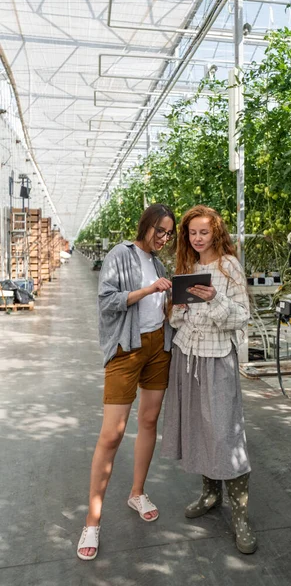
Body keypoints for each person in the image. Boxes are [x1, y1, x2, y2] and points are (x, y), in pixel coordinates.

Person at [77, 203, 176, 561]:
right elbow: (107, 302)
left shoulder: (160, 264)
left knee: (149, 421)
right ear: (146, 225)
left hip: (157, 348)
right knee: (112, 433)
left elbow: (160, 310)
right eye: (160, 231)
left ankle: (137, 492)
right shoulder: (122, 254)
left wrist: (175, 302)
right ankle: (92, 520)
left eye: (169, 233)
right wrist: (150, 290)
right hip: (126, 349)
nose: (164, 238)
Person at [161, 204, 257, 554]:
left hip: (217, 360)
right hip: (188, 357)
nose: (197, 238)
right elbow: (175, 322)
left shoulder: (229, 267)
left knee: (225, 432)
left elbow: (242, 317)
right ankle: (211, 493)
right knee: (201, 428)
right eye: (192, 233)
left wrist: (214, 298)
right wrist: (178, 307)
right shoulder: (186, 267)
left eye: (204, 232)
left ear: (216, 233)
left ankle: (241, 516)